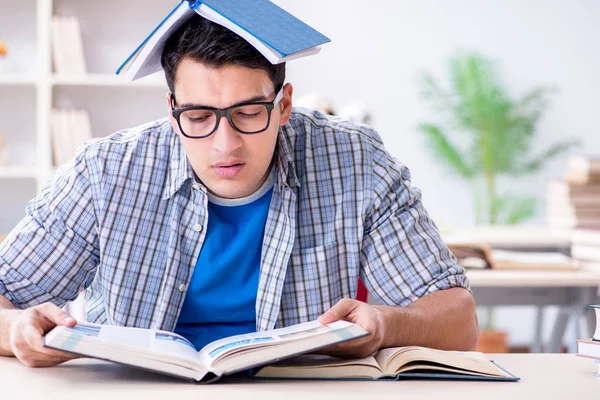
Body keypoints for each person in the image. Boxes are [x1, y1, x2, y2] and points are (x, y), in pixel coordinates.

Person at [0, 16, 478, 368]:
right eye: (199, 116)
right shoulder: (105, 173)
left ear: (284, 103)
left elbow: (458, 319)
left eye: (249, 113)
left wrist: (386, 326)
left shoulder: (357, 162)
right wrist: (16, 328)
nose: (225, 144)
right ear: (172, 110)